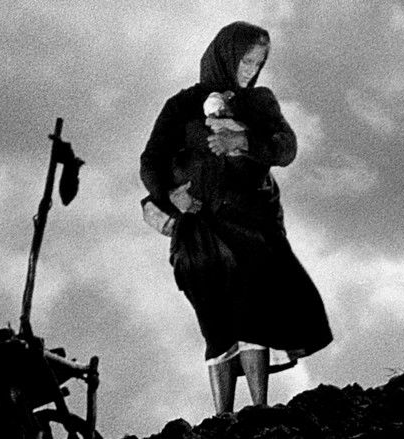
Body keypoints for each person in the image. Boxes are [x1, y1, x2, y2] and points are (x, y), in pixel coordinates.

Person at [140, 21, 333, 415]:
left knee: (252, 314)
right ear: (226, 56)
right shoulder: (181, 106)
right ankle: (222, 419)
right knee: (215, 323)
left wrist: (242, 140)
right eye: (245, 61)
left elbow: (285, 147)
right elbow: (151, 160)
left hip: (251, 225)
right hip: (198, 231)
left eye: (258, 63)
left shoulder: (260, 103)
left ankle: (258, 411)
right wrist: (169, 195)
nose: (251, 70)